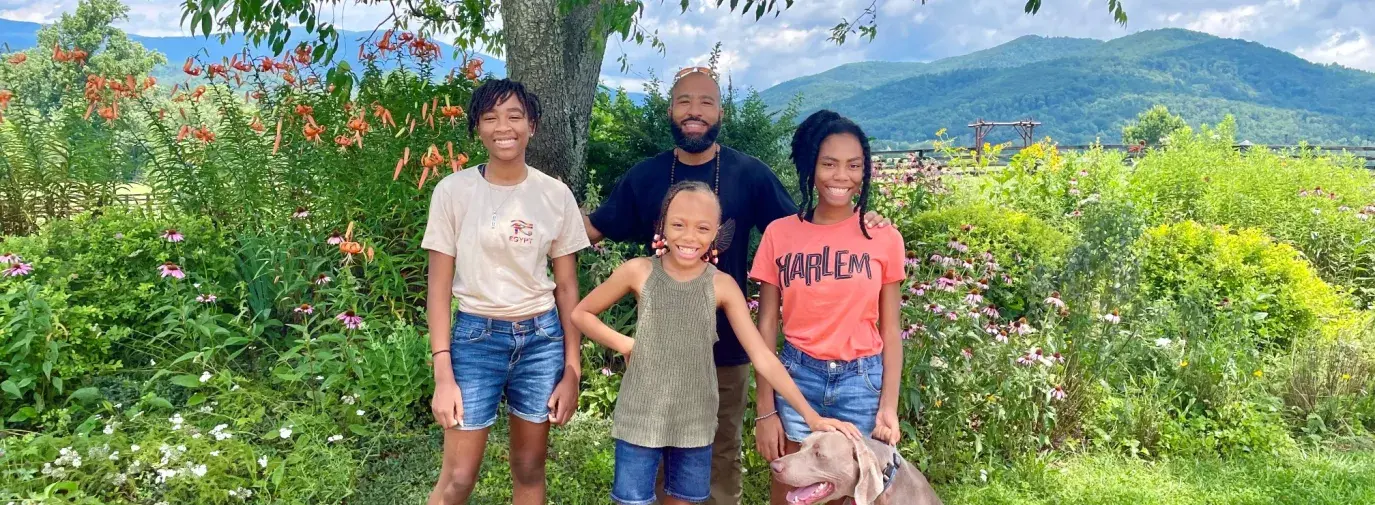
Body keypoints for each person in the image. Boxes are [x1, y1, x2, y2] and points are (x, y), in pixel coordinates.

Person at [583, 66, 890, 505]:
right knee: (649, 458)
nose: (695, 111)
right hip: (658, 358)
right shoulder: (644, 177)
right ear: (670, 110)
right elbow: (592, 229)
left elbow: (806, 230)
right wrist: (530, 237)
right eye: (685, 101)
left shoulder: (750, 174)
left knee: (719, 455)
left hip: (726, 352)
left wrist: (864, 221)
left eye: (706, 102)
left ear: (720, 111)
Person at [573, 181, 863, 505]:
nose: (689, 237)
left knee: (684, 499)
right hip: (640, 418)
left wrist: (810, 416)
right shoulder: (638, 271)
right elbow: (581, 314)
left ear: (716, 234)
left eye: (702, 228)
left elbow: (762, 356)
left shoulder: (721, 285)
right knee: (632, 501)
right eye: (678, 224)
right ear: (662, 225)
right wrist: (627, 344)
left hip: (695, 423)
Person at [422, 78, 589, 505]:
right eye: (490, 117)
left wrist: (572, 368)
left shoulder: (555, 195)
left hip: (542, 341)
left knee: (530, 469)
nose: (504, 127)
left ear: (532, 125)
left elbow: (568, 287)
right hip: (475, 340)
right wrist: (443, 373)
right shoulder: (453, 192)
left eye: (515, 116)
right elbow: (438, 289)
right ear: (477, 127)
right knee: (458, 477)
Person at [749, 111, 906, 505]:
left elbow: (890, 330)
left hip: (861, 384)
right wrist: (765, 410)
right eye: (829, 163)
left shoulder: (883, 237)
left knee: (855, 495)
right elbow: (766, 325)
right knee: (791, 490)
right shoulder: (779, 234)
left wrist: (888, 406)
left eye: (854, 166)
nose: (842, 176)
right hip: (796, 378)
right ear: (810, 166)